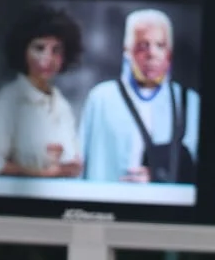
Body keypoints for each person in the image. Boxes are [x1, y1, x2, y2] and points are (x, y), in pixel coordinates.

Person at [80, 9, 201, 186]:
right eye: (143, 45)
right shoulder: (101, 98)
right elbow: (81, 163)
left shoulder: (189, 102)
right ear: (127, 51)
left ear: (169, 53)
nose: (152, 54)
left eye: (160, 45)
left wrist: (159, 176)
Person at [0, 4, 83, 178]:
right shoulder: (9, 100)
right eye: (39, 48)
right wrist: (40, 173)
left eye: (56, 50)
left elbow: (74, 162)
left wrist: (69, 168)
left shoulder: (63, 105)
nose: (48, 58)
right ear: (23, 51)